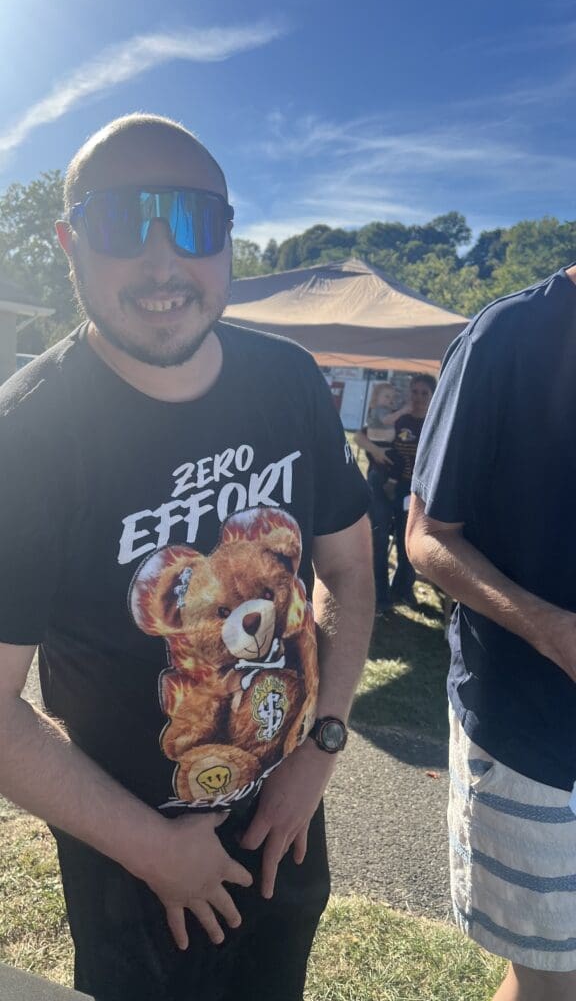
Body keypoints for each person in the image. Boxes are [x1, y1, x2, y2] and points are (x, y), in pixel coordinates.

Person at [0, 114, 374, 1001]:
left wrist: (319, 753)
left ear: (229, 238)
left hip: (285, 818)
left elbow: (351, 576)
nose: (164, 261)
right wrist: (155, 852)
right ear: (69, 243)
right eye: (126, 220)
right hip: (135, 864)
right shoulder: (29, 437)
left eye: (195, 222)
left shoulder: (288, 379)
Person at [406, 264, 576, 1001]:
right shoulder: (508, 335)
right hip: (532, 734)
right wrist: (553, 629)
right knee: (551, 977)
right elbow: (427, 537)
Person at [354, 382, 409, 612]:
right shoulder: (380, 414)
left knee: (400, 538)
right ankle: (381, 597)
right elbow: (359, 436)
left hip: (399, 483)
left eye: (391, 397)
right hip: (380, 475)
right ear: (376, 400)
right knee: (379, 533)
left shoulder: (391, 416)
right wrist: (375, 450)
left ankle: (399, 590)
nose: (389, 401)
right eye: (386, 396)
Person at [388, 374, 435, 607]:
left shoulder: (435, 423)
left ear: (432, 396)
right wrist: (401, 412)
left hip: (422, 491)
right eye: (414, 392)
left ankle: (403, 588)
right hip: (398, 485)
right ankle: (395, 588)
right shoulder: (399, 420)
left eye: (424, 393)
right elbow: (368, 433)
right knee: (397, 535)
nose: (418, 397)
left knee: (410, 540)